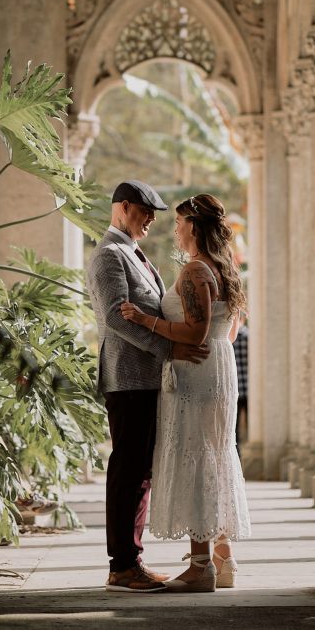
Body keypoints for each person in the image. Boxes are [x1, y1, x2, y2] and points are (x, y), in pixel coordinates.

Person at [121, 193, 251, 592]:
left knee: (198, 458)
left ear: (193, 226)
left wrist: (145, 319)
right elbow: (226, 330)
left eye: (178, 224)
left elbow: (194, 332)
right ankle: (222, 560)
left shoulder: (196, 271)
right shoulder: (224, 269)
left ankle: (200, 567)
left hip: (196, 371)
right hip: (217, 366)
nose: (175, 231)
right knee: (213, 455)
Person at [86, 180, 209, 594]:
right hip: (128, 377)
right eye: (145, 212)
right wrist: (169, 349)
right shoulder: (108, 256)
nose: (152, 220)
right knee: (129, 470)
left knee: (140, 471)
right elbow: (118, 319)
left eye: (156, 214)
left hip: (147, 376)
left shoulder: (132, 254)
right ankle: (121, 566)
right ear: (122, 208)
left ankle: (130, 561)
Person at [233, 316, 249, 456]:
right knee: (252, 428)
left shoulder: (229, 337)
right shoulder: (249, 336)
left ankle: (238, 460)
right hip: (250, 390)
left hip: (235, 390)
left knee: (234, 430)